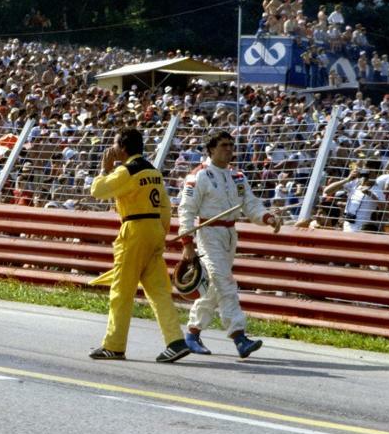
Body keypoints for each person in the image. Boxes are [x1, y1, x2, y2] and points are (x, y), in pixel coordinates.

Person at [87, 128, 190, 363]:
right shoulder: (154, 171)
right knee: (159, 291)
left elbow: (97, 190)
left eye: (114, 145)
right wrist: (160, 235)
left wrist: (105, 168)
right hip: (154, 229)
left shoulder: (126, 170)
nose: (112, 149)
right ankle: (175, 341)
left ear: (122, 148)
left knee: (121, 291)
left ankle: (114, 346)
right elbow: (165, 207)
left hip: (134, 230)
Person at [178, 131, 281, 358]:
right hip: (208, 234)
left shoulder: (238, 176)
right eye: (224, 145)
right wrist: (187, 243)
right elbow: (186, 210)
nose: (229, 149)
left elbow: (251, 204)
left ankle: (192, 334)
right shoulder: (199, 176)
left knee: (215, 286)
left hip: (230, 234)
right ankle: (239, 337)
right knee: (225, 282)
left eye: (231, 145)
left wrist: (267, 218)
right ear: (211, 149)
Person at [321, 161, 383, 232]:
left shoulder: (377, 190)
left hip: (361, 231)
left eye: (369, 171)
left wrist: (371, 194)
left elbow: (385, 210)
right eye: (365, 170)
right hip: (347, 227)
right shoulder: (354, 183)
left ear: (376, 173)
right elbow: (327, 191)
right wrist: (347, 179)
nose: (366, 174)